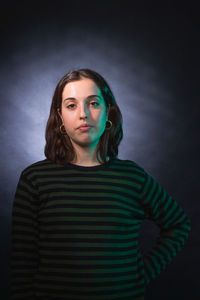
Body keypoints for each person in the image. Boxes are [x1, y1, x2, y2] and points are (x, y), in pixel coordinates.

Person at [11, 68, 191, 300]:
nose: (83, 114)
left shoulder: (132, 177)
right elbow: (22, 264)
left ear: (108, 112)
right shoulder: (35, 179)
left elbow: (179, 225)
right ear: (60, 118)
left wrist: (141, 274)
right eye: (71, 105)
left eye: (93, 103)